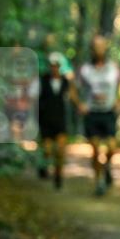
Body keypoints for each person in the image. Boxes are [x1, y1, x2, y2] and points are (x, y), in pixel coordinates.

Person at [71, 34, 120, 196]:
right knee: (94, 148)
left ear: (105, 48)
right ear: (91, 49)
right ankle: (99, 180)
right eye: (95, 47)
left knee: (112, 148)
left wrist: (119, 100)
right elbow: (72, 89)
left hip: (108, 112)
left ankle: (107, 166)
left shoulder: (114, 68)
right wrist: (80, 104)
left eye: (101, 46)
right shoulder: (84, 69)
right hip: (92, 113)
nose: (98, 50)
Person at [30, 53, 71, 189]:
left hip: (60, 121)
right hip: (45, 121)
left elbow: (73, 95)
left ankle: (58, 176)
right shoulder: (42, 81)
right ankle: (43, 166)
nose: (54, 68)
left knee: (60, 151)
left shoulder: (65, 81)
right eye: (52, 65)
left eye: (56, 65)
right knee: (47, 150)